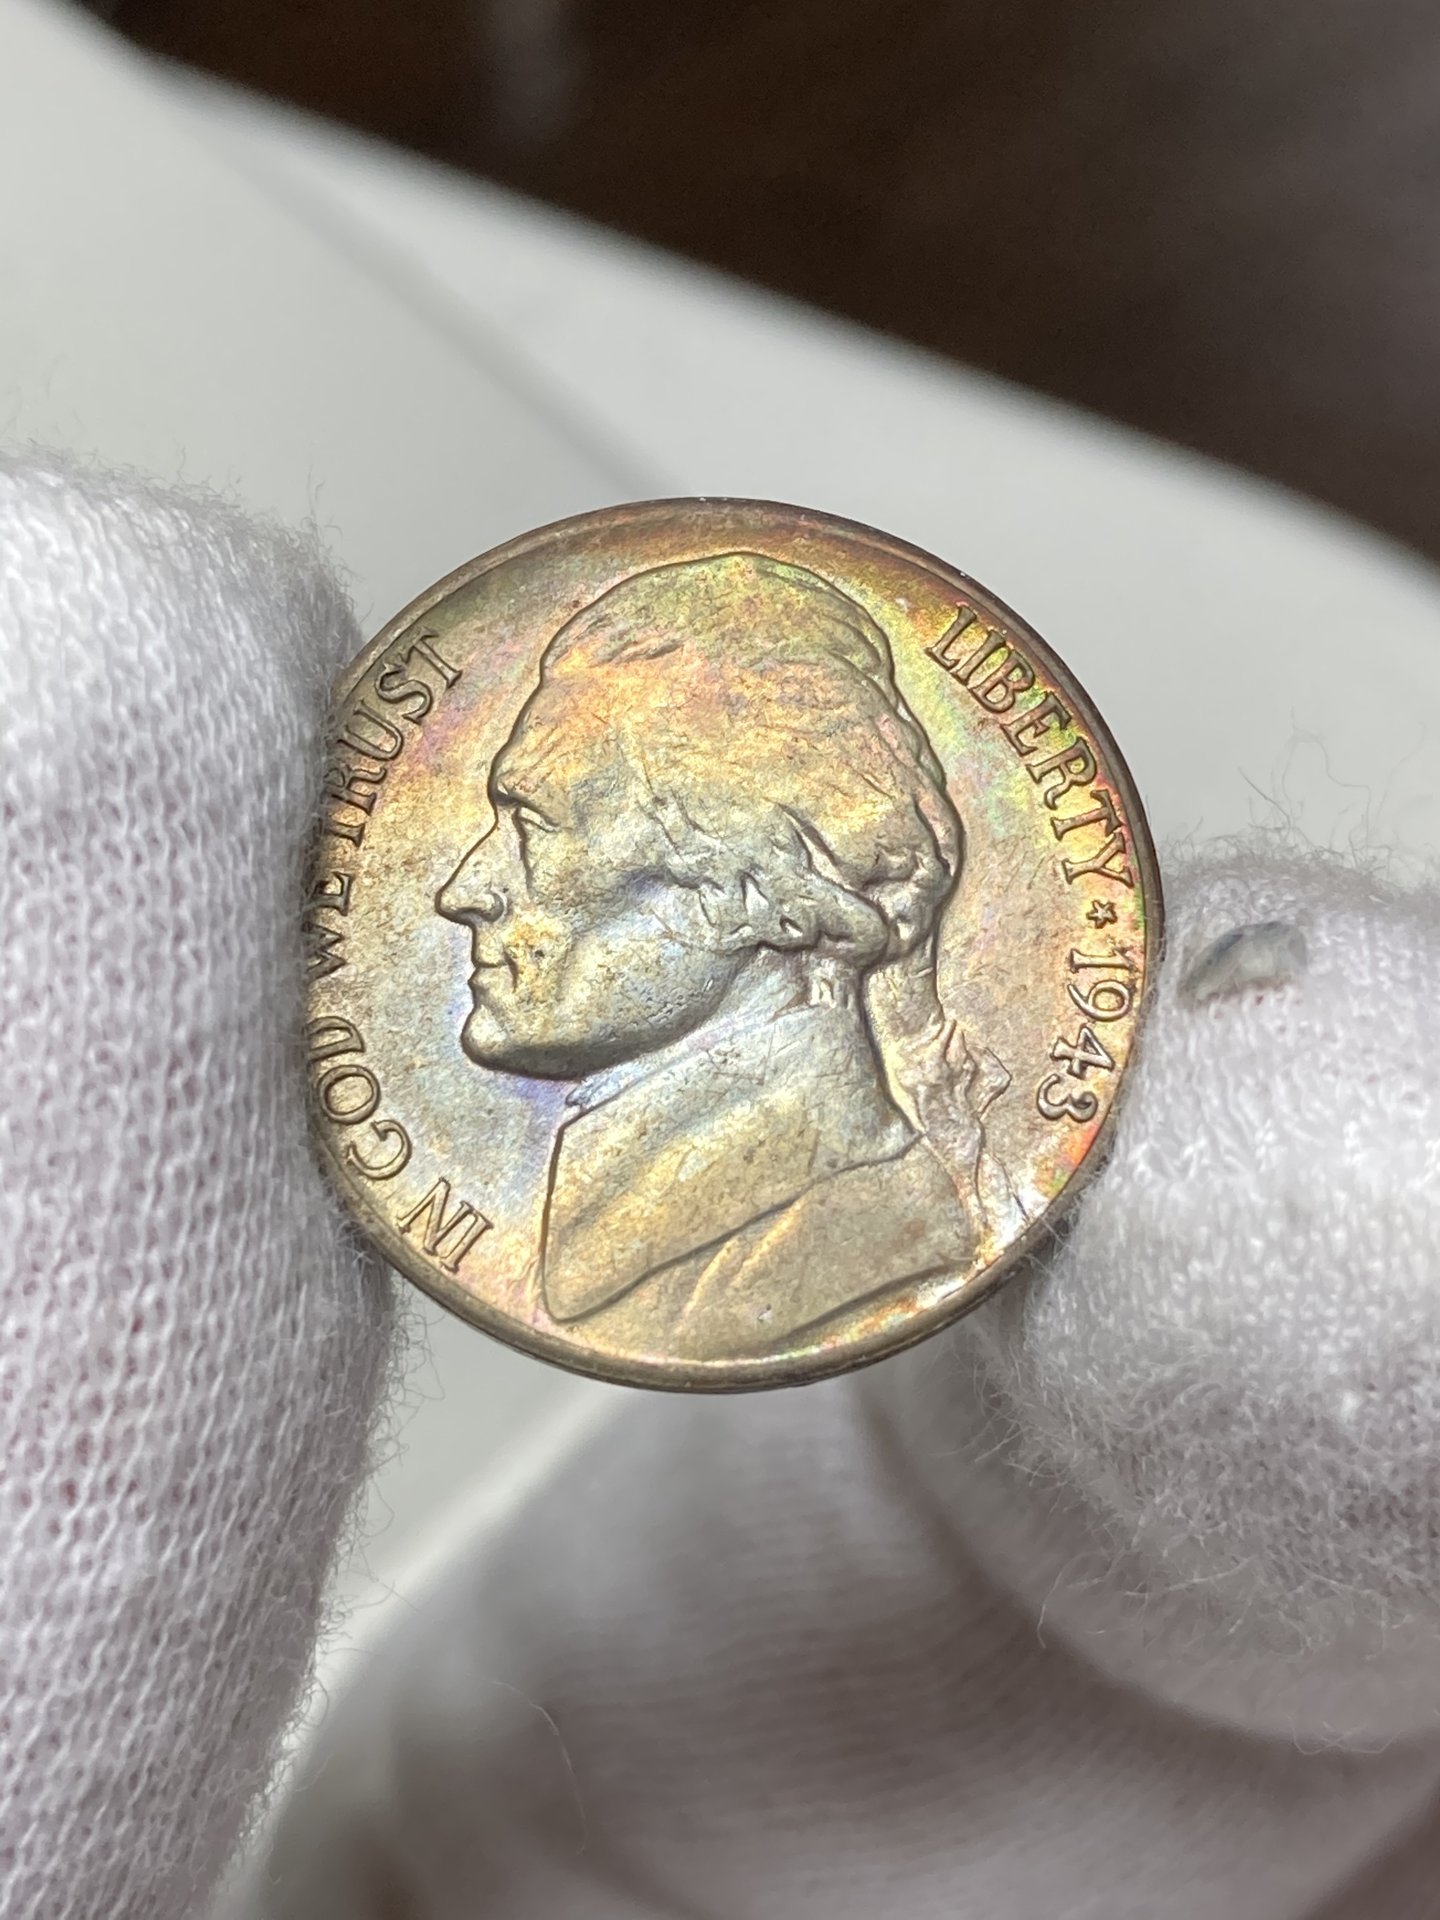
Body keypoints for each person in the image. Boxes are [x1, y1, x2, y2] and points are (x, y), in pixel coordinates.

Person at [437, 553, 1014, 1357]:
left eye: (535, 824)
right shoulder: (669, 1253)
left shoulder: (845, 1257)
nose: (463, 891)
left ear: (757, 885)